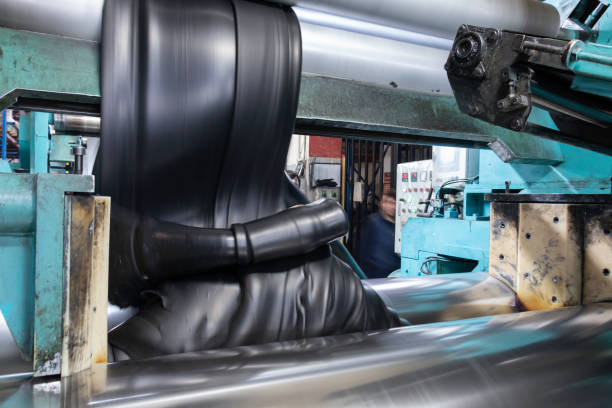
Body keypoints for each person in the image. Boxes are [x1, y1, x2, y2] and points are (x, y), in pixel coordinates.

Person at [358, 189, 401, 278]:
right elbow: (363, 249)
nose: (390, 206)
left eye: (393, 203)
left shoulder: (400, 226)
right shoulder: (372, 222)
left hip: (394, 276)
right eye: (387, 202)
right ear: (381, 203)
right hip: (373, 275)